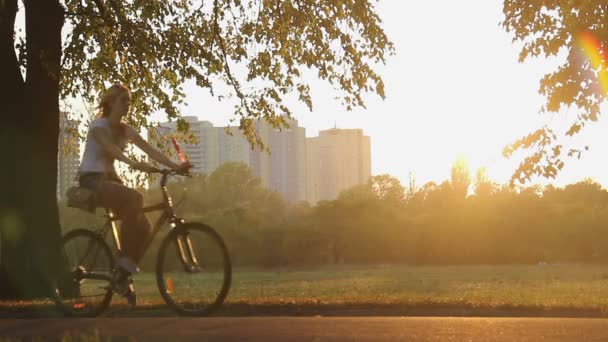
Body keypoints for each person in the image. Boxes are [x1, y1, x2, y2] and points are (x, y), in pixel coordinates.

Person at [78, 83, 190, 306]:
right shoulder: (98, 126)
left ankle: (123, 274)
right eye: (123, 100)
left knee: (145, 226)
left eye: (129, 101)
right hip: (92, 180)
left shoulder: (125, 129)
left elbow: (150, 150)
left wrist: (175, 166)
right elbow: (111, 149)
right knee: (135, 198)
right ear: (111, 103)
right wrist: (131, 163)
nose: (127, 105)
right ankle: (124, 264)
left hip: (110, 182)